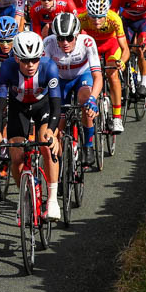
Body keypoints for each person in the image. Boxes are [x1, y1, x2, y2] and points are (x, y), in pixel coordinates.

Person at [0, 31, 62, 219]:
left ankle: (52, 200)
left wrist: (52, 132)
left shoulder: (49, 67)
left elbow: (56, 106)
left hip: (42, 106)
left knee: (47, 145)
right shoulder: (7, 68)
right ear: (16, 57)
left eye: (34, 60)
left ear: (40, 57)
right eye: (25, 60)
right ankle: (24, 197)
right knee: (16, 155)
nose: (30, 65)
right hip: (18, 108)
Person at [42, 14, 103, 219]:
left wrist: (94, 99)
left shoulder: (87, 42)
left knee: (85, 100)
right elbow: (42, 76)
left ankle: (88, 145)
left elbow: (97, 76)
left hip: (81, 77)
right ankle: (58, 171)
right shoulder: (49, 43)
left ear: (76, 35)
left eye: (69, 38)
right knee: (56, 126)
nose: (64, 42)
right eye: (60, 38)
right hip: (58, 80)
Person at [79, 0, 129, 133]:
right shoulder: (81, 19)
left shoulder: (114, 19)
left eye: (100, 17)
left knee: (112, 74)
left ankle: (117, 117)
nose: (96, 21)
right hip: (92, 47)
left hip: (110, 46)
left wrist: (122, 61)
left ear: (106, 14)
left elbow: (125, 48)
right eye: (93, 16)